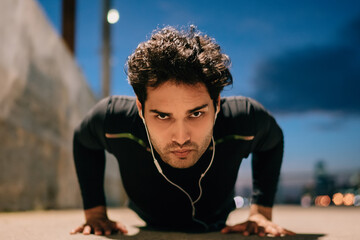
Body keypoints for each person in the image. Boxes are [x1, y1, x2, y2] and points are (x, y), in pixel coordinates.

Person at [70, 25, 295, 237]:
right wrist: (95, 213)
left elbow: (272, 141)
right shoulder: (114, 119)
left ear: (217, 104)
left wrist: (260, 213)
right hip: (147, 217)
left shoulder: (244, 118)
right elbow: (83, 141)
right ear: (140, 108)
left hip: (217, 219)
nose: (181, 138)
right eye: (162, 116)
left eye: (196, 114)